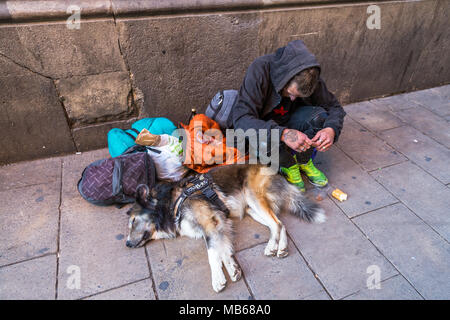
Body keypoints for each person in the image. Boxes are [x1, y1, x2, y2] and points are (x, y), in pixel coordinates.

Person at [230, 40, 346, 192]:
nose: (291, 99)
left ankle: (303, 161)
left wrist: (331, 129)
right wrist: (283, 134)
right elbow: (241, 119)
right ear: (283, 79)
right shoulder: (260, 69)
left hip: (288, 121)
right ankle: (287, 165)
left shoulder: (311, 76)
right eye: (290, 94)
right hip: (265, 128)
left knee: (320, 117)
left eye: (297, 97)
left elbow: (334, 107)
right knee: (262, 135)